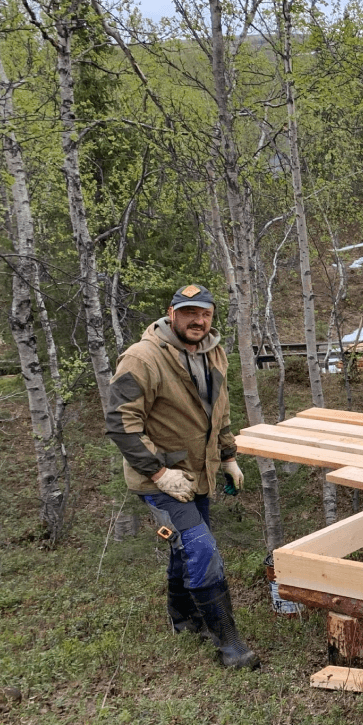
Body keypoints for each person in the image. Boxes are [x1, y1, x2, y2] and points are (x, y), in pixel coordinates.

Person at [105, 285, 261, 670]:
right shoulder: (141, 358)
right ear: (171, 313)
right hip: (162, 482)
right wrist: (159, 473)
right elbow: (121, 424)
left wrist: (228, 457)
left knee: (186, 547)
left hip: (199, 476)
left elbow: (219, 412)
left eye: (205, 313)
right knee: (202, 550)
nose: (198, 320)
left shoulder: (213, 351)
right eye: (189, 312)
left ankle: (183, 618)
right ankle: (230, 644)